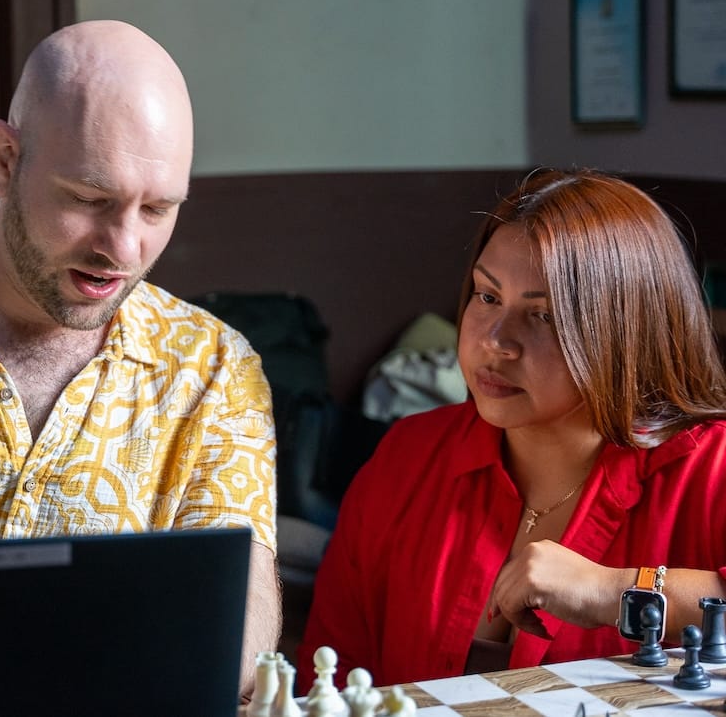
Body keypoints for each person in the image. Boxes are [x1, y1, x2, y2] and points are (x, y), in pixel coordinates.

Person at [0, 20, 279, 698]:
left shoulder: (212, 371)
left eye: (158, 208)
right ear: (3, 161)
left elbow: (234, 637)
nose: (122, 247)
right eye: (90, 200)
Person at [298, 168, 726, 690]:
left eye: (542, 315)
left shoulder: (709, 470)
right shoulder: (408, 455)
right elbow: (327, 677)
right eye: (487, 296)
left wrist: (615, 591)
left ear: (624, 329)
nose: (496, 342)